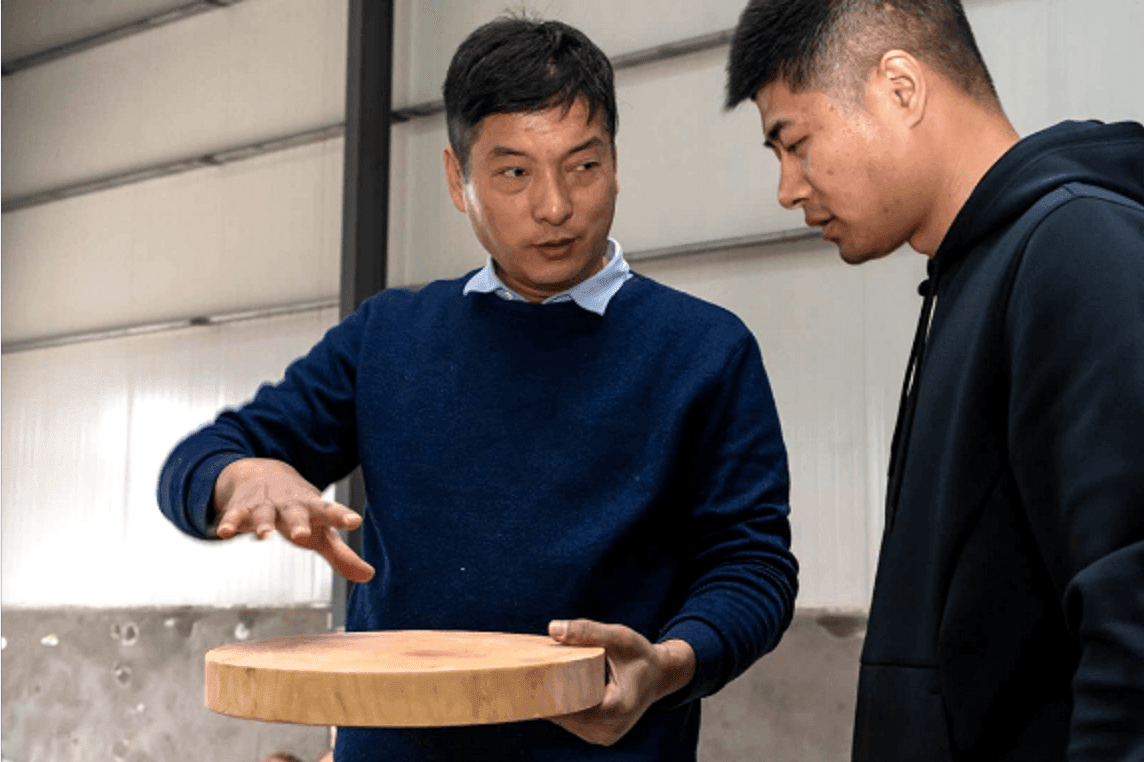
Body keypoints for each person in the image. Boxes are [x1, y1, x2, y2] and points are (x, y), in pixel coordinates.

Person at [159, 17, 798, 761]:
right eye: (514, 173)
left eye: (583, 166)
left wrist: (671, 665)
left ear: (616, 163)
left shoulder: (704, 350)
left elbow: (753, 564)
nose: (555, 206)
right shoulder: (388, 337)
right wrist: (240, 476)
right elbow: (200, 459)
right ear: (456, 180)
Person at [724, 1, 1144, 760]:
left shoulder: (1078, 251)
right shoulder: (977, 272)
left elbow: (1132, 608)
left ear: (900, 88)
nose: (787, 188)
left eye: (797, 143)